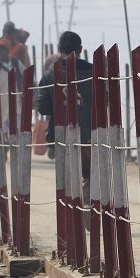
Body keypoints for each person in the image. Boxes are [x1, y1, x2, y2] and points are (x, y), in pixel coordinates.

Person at [35, 31, 93, 187]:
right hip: (90, 137)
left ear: (60, 48)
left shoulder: (50, 75)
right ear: (80, 49)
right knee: (89, 179)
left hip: (60, 137)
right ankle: (86, 204)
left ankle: (72, 207)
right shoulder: (94, 73)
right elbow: (106, 102)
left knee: (66, 184)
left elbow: (43, 108)